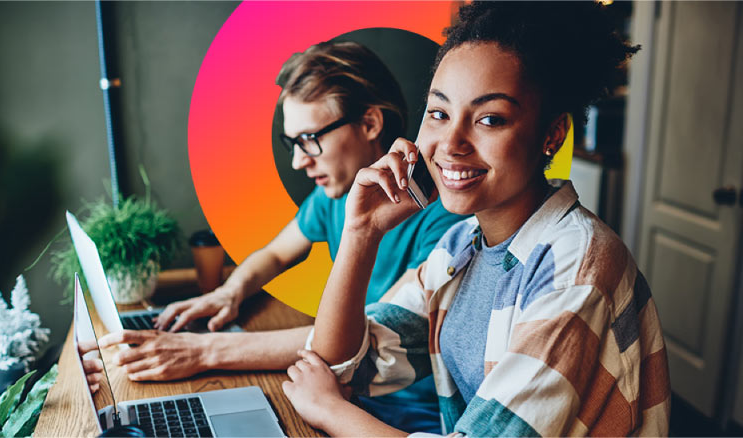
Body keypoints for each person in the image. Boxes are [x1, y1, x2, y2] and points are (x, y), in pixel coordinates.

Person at [281, 3, 671, 436]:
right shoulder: (462, 246)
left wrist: (330, 410)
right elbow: (344, 365)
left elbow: (329, 390)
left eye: (489, 119)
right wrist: (361, 232)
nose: (450, 143)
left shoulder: (576, 271)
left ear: (552, 135)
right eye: (439, 113)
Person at [98, 41, 466, 433]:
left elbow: (365, 340)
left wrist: (204, 350)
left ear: (371, 123)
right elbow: (274, 254)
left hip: (399, 417)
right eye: (292, 143)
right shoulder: (333, 196)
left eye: (310, 139)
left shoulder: (444, 220)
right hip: (335, 392)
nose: (298, 160)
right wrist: (230, 292)